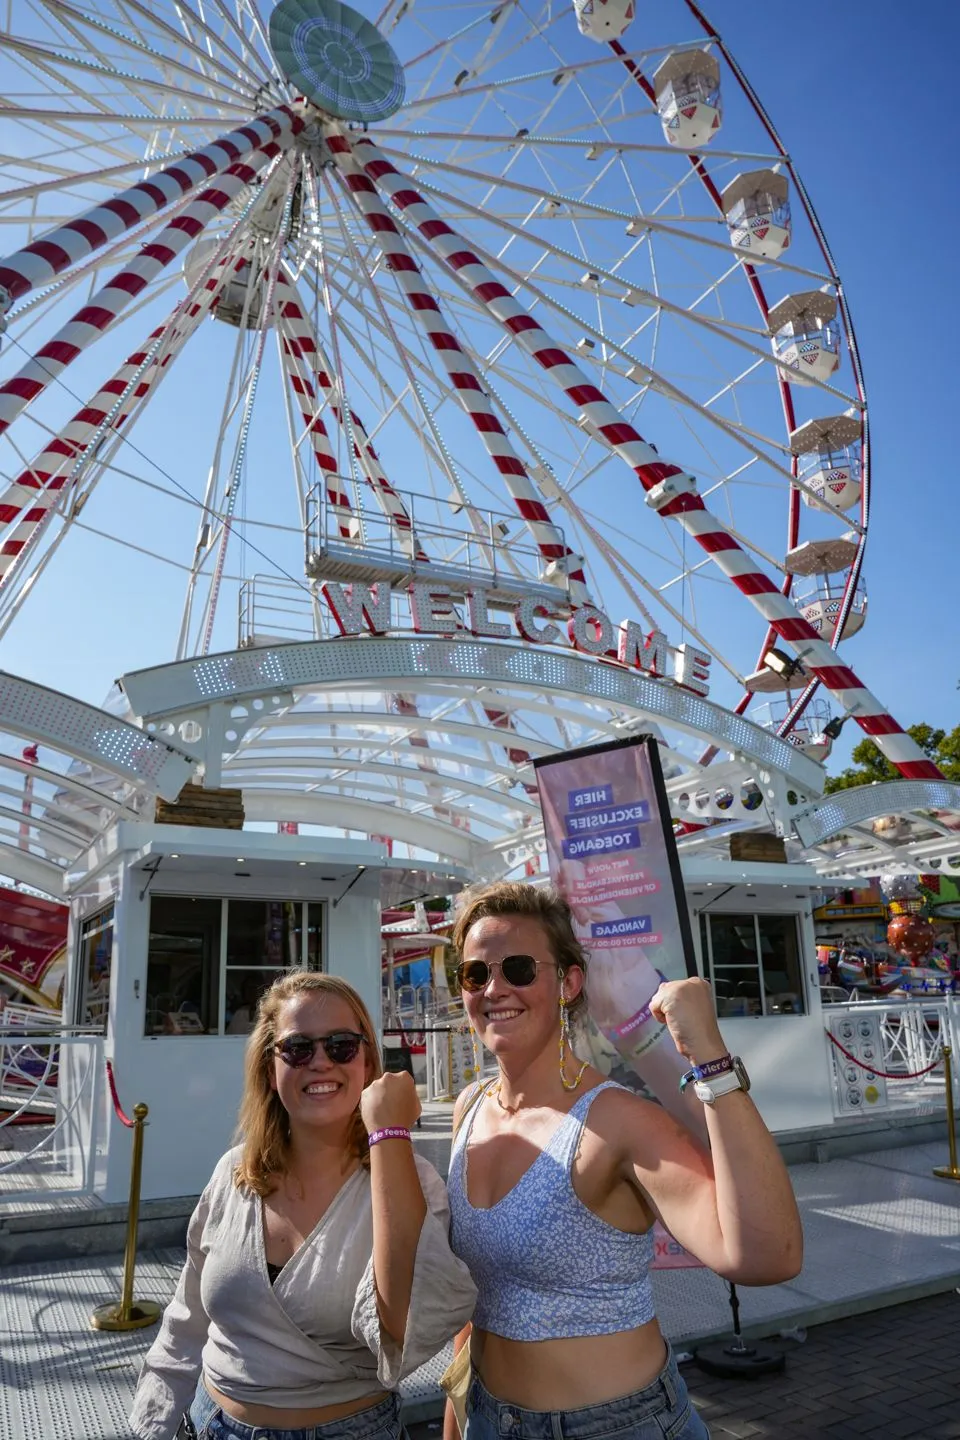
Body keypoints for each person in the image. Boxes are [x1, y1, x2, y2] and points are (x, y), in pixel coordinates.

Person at [444, 882, 803, 1440]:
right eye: (474, 974)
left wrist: (709, 1054)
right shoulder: (470, 1109)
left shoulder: (618, 1122)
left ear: (568, 982)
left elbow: (766, 1255)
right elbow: (481, 1287)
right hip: (489, 1417)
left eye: (518, 969)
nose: (494, 989)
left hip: (617, 1425)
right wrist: (459, 1414)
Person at [130, 971, 477, 1440]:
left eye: (341, 1046)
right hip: (212, 1422)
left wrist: (389, 1134)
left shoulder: (410, 1182)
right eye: (297, 1048)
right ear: (270, 1071)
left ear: (367, 1062)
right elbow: (187, 1317)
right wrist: (154, 1422)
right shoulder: (233, 1174)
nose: (320, 1062)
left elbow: (401, 1325)